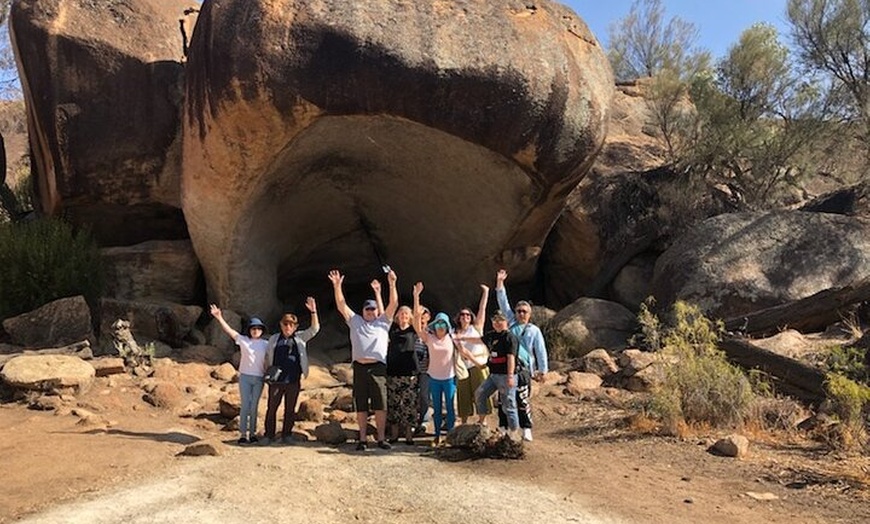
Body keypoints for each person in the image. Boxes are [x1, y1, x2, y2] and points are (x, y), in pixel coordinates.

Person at [329, 268, 398, 451]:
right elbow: (341, 306)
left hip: (378, 368)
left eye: (373, 309)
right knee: (361, 404)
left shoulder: (383, 322)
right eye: (367, 309)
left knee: (380, 404)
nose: (370, 311)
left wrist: (392, 284)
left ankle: (381, 438)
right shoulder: (356, 321)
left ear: (377, 311)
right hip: (360, 368)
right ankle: (362, 439)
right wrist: (337, 286)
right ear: (363, 311)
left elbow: (394, 303)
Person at [411, 282, 469, 446]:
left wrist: (479, 363)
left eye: (443, 324)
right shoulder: (429, 337)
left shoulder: (453, 338)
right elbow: (416, 321)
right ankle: (436, 436)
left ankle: (449, 436)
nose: (441, 327)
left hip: (449, 378)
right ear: (434, 325)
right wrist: (416, 296)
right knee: (436, 407)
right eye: (438, 324)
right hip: (434, 378)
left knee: (450, 408)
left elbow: (466, 352)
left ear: (447, 325)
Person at [495, 268, 549, 441]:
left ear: (530, 313)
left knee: (522, 398)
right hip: (506, 367)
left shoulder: (534, 330)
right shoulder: (510, 322)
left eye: (524, 311)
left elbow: (540, 351)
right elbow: (503, 302)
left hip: (524, 369)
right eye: (518, 311)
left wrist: (543, 370)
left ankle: (526, 428)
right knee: (504, 398)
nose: (520, 314)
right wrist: (500, 283)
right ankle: (503, 426)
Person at [261, 297, 320, 445]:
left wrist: (313, 311)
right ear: (281, 325)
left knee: (290, 409)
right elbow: (267, 356)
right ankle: (269, 435)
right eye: (285, 324)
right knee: (271, 408)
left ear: (295, 326)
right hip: (276, 381)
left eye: (291, 324)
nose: (288, 327)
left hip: (293, 380)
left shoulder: (300, 338)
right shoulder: (274, 339)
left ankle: (287, 434)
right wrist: (266, 373)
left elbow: (315, 329)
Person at [209, 305, 268, 445]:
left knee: (254, 406)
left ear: (262, 331)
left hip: (259, 377)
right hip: (245, 377)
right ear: (249, 330)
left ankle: (252, 434)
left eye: (258, 329)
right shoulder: (243, 340)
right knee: (245, 406)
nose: (256, 331)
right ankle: (242, 434)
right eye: (253, 329)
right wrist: (219, 317)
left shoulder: (266, 344)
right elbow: (229, 331)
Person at [455, 309, 520, 432]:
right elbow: (478, 340)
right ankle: (482, 421)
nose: (497, 323)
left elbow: (511, 358)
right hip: (493, 375)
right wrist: (462, 338)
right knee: (480, 393)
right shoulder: (492, 335)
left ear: (506, 322)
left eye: (500, 320)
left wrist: (510, 376)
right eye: (495, 320)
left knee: (509, 405)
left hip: (506, 375)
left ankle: (514, 433)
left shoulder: (510, 338)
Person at [454, 285, 492, 425]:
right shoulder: (454, 332)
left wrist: (486, 292)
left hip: (479, 366)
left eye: (468, 315)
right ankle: (464, 423)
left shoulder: (476, 328)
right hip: (463, 368)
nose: (465, 317)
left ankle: (482, 421)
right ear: (459, 318)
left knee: (481, 392)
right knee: (463, 395)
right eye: (462, 315)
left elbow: (482, 309)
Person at [386, 305, 418, 445]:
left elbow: (417, 315)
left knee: (409, 404)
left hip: (409, 372)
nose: (403, 315)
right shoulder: (392, 329)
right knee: (394, 403)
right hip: (393, 371)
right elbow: (384, 313)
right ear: (397, 316)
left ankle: (409, 436)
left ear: (409, 316)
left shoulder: (413, 330)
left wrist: (416, 296)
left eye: (406, 314)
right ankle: (394, 435)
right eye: (401, 313)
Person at [414, 306, 432, 435]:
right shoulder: (411, 330)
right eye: (419, 314)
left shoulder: (432, 332)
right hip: (412, 368)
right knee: (412, 395)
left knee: (425, 395)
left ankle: (424, 420)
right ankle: (413, 422)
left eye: (424, 314)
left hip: (427, 369)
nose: (422, 316)